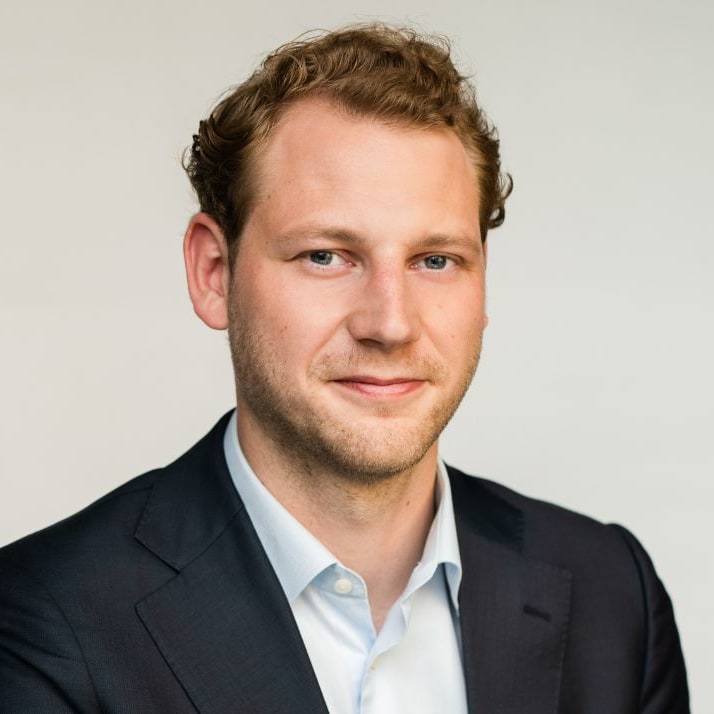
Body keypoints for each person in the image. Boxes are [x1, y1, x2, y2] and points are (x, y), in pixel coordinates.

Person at [0, 23, 688, 713]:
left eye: (436, 260)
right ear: (214, 272)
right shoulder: (45, 621)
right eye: (326, 256)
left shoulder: (612, 596)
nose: (389, 323)